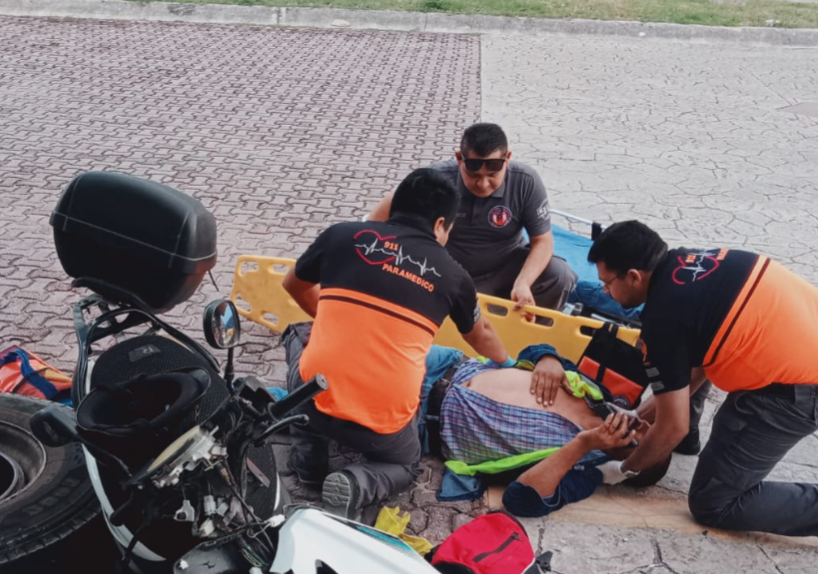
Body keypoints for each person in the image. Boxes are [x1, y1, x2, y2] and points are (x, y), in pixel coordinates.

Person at [587, 221, 818, 549]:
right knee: (695, 359)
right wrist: (642, 413)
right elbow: (693, 369)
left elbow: (671, 426)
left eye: (607, 284)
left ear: (634, 276)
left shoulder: (663, 322)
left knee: (712, 502)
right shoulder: (699, 261)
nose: (604, 292)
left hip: (806, 392)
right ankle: (694, 442)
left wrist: (625, 469)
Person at [282, 167, 512, 520]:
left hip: (315, 397)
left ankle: (308, 461)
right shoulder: (452, 275)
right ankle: (357, 481)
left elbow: (292, 285)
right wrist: (507, 362)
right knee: (407, 464)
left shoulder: (342, 236)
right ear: (440, 225)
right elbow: (481, 336)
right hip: (382, 427)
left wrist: (330, 320)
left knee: (299, 335)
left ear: (393, 208)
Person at [419, 343, 670, 517]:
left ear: (632, 460)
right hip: (446, 365)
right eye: (652, 424)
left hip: (423, 420)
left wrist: (583, 444)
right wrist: (547, 359)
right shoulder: (599, 396)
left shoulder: (584, 472)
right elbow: (533, 351)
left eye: (646, 434)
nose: (644, 423)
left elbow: (520, 500)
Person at [367, 123, 578, 311]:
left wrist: (523, 281)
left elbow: (542, 241)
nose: (483, 184)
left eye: (493, 176)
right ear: (459, 159)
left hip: (504, 267)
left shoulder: (526, 181)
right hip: (446, 271)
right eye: (474, 176)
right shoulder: (436, 179)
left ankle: (531, 338)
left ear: (507, 159)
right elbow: (380, 216)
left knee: (559, 274)